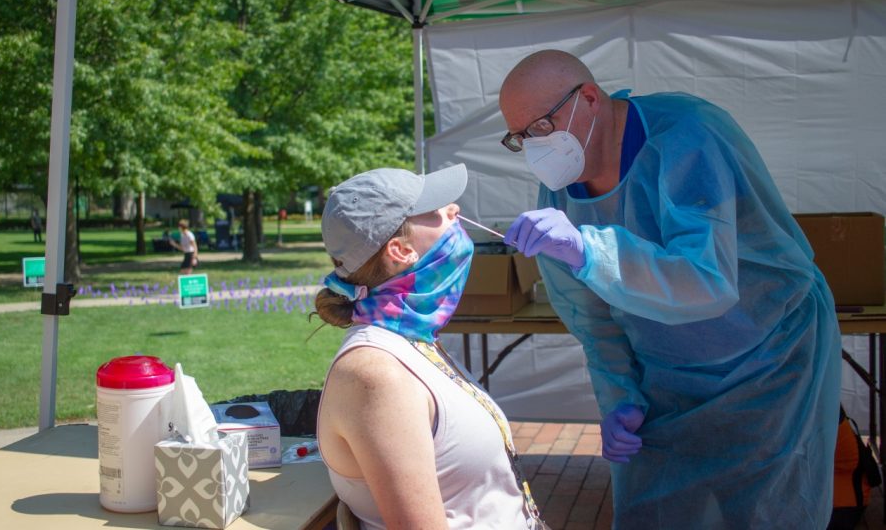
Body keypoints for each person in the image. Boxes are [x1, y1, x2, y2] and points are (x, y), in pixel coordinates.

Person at [497, 49, 841, 529]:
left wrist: (590, 250)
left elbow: (707, 281)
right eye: (519, 137)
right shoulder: (561, 187)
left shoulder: (688, 136)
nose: (535, 147)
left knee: (767, 513)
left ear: (589, 99)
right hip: (668, 380)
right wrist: (618, 395)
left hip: (769, 361)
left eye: (541, 127)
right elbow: (591, 315)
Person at [315, 164, 546, 530]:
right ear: (400, 250)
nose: (454, 209)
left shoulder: (408, 337)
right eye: (437, 210)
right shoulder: (376, 375)